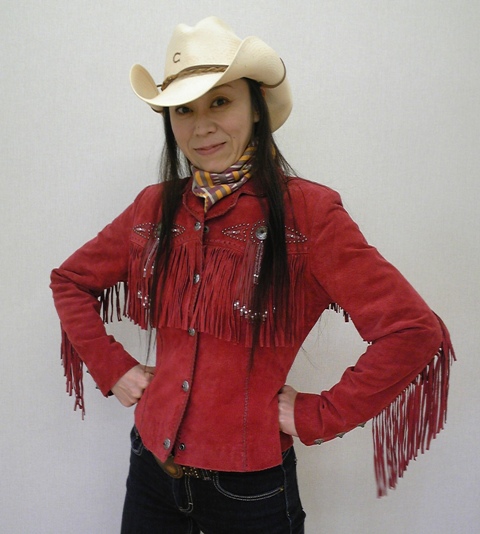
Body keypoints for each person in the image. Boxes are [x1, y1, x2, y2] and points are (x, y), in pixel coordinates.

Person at [50, 16, 454, 534]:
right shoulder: (153, 207)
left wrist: (317, 415)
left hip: (249, 492)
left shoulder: (309, 214)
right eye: (183, 109)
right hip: (150, 469)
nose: (200, 126)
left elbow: (413, 330)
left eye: (220, 102)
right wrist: (112, 367)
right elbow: (70, 281)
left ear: (256, 108)